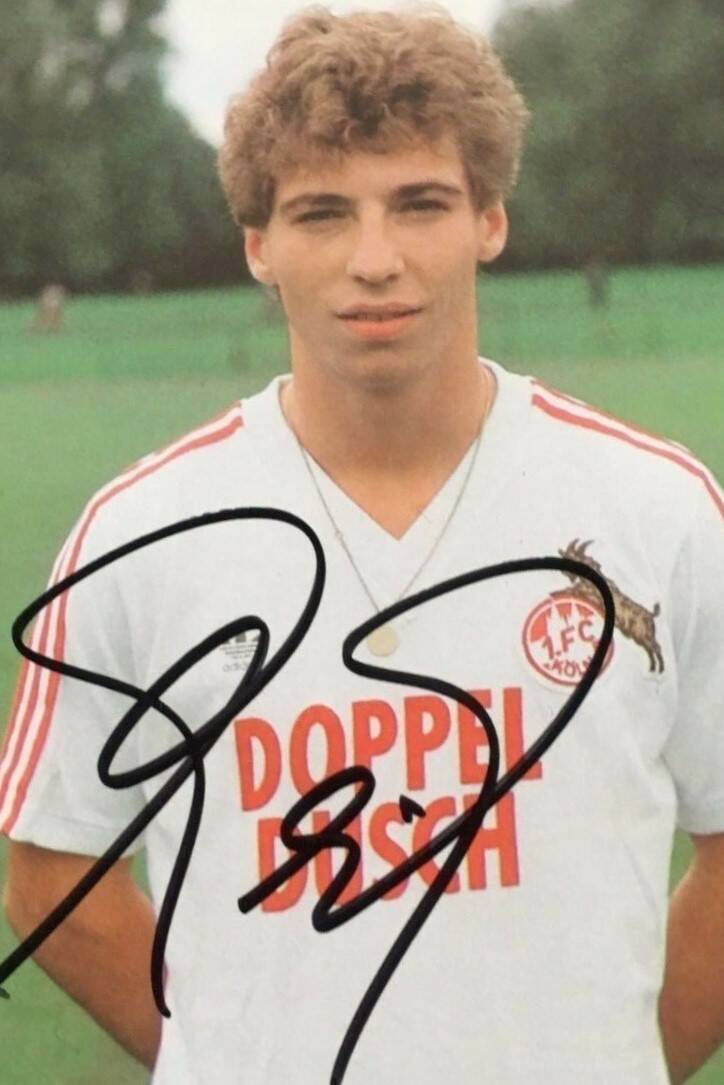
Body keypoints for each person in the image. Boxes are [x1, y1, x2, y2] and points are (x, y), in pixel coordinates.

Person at [2, 5, 724, 1084]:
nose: (374, 260)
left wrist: (616, 1060)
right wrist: (221, 1056)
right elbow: (52, 868)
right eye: (322, 213)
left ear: (489, 219)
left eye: (420, 204)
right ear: (259, 244)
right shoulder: (143, 535)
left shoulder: (654, 509)